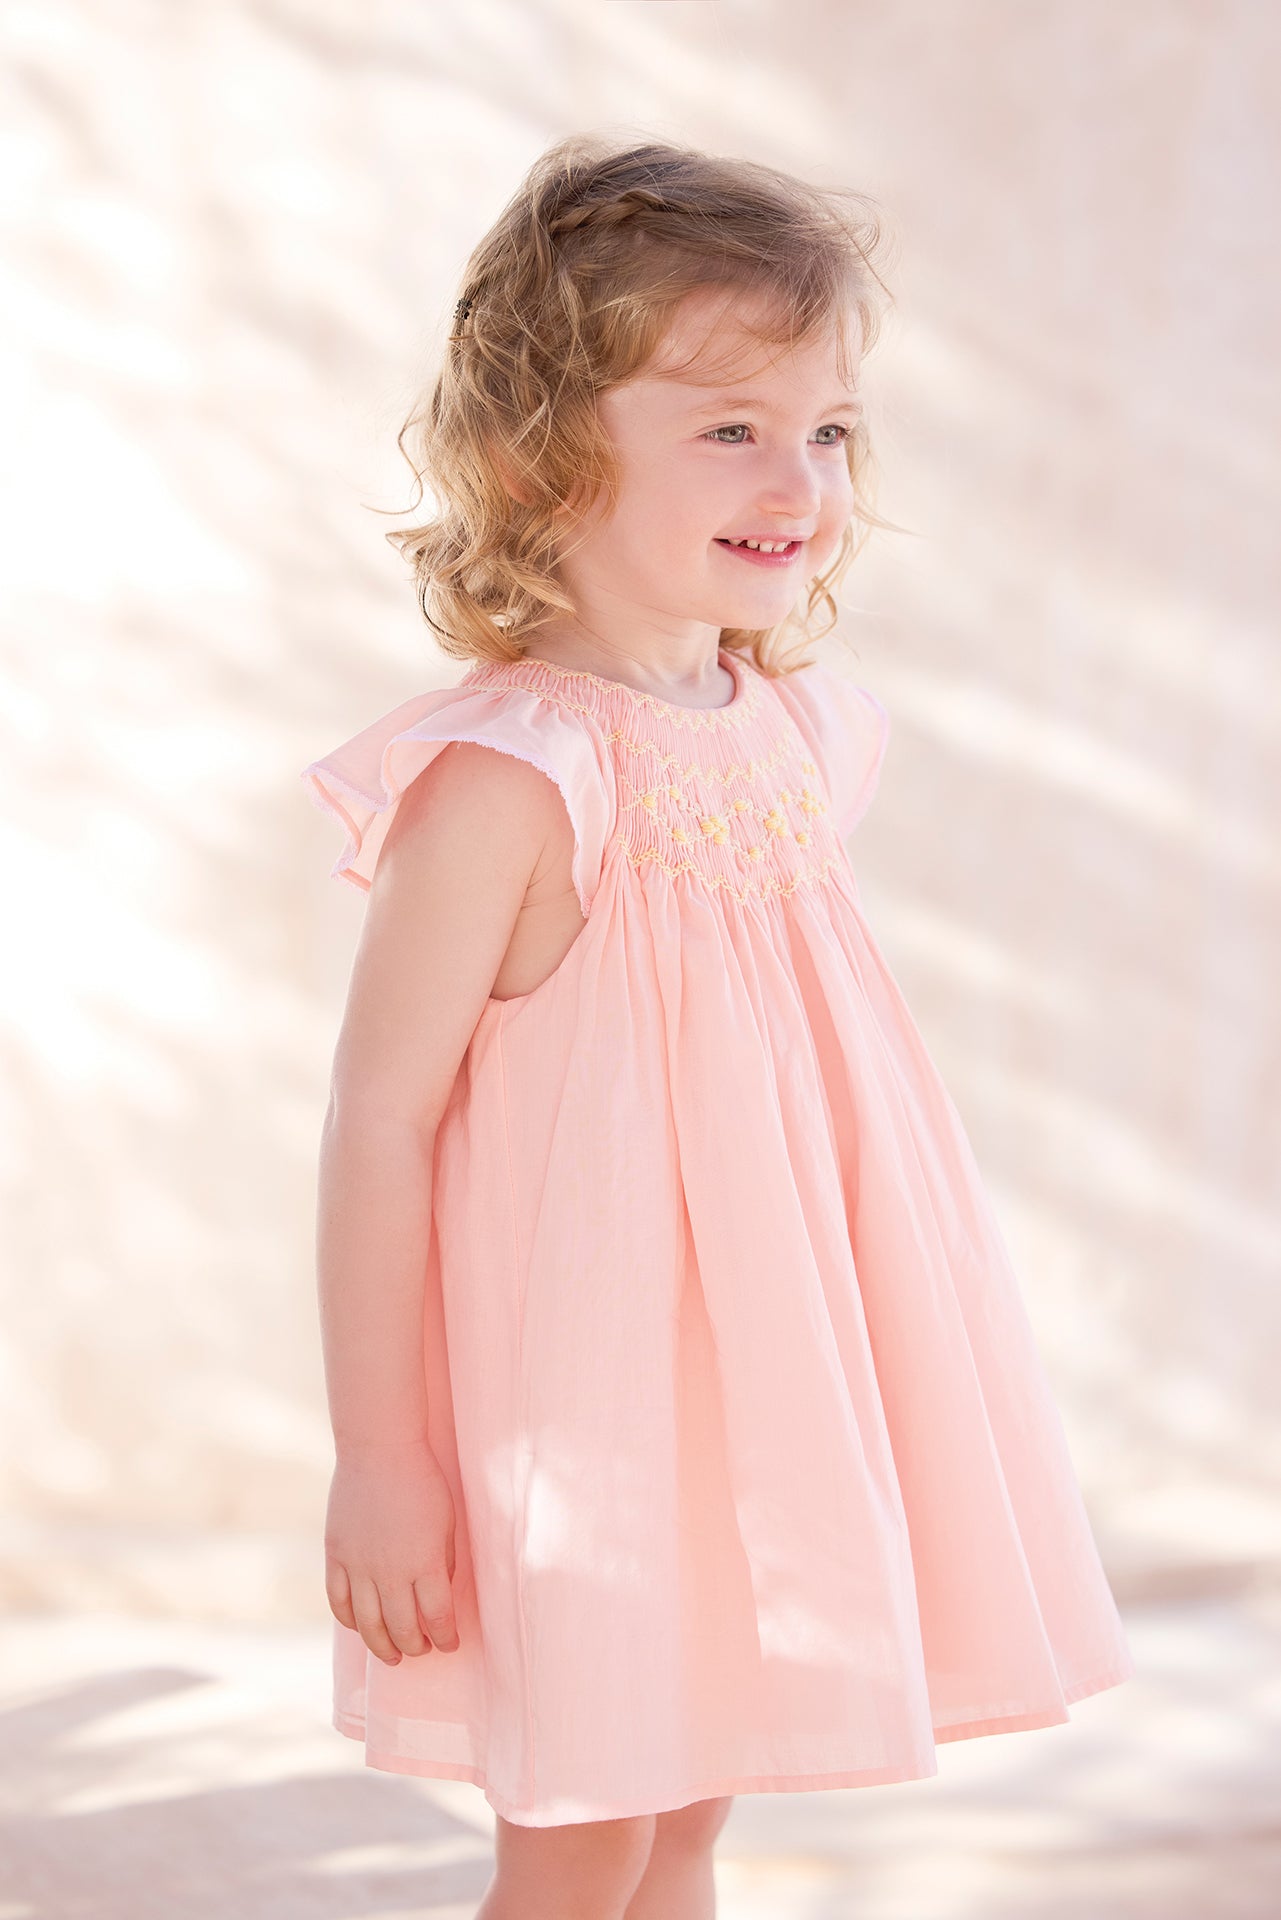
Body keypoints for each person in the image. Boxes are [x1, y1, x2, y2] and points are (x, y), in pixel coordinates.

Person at [300, 134, 1135, 1920]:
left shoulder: (797, 732)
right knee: (587, 1832)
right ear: (539, 455)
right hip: (584, 1417)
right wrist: (382, 1457)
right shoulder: (510, 778)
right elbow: (379, 1121)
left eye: (827, 430)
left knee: (687, 1824)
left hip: (750, 1394)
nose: (798, 479)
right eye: (731, 427)